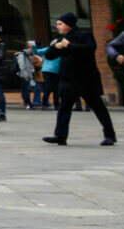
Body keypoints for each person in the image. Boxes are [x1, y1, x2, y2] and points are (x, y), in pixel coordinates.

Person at [43, 13, 117, 146]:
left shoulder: (84, 35)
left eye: (60, 23)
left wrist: (69, 45)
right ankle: (60, 136)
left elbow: (89, 49)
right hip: (68, 79)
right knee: (64, 109)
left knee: (98, 108)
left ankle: (110, 135)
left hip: (86, 79)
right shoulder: (61, 38)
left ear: (68, 24)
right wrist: (56, 47)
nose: (57, 26)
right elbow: (49, 56)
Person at [39, 41, 63, 110]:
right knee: (49, 87)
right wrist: (34, 46)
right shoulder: (48, 49)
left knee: (56, 88)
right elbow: (37, 51)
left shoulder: (61, 51)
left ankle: (56, 104)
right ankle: (44, 104)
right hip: (48, 70)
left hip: (56, 71)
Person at [15, 44, 38, 110]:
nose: (33, 50)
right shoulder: (21, 55)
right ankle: (28, 103)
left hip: (28, 75)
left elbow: (30, 65)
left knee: (26, 89)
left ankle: (27, 103)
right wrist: (26, 76)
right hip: (24, 75)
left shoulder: (28, 55)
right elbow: (22, 66)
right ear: (28, 48)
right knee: (26, 90)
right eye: (32, 48)